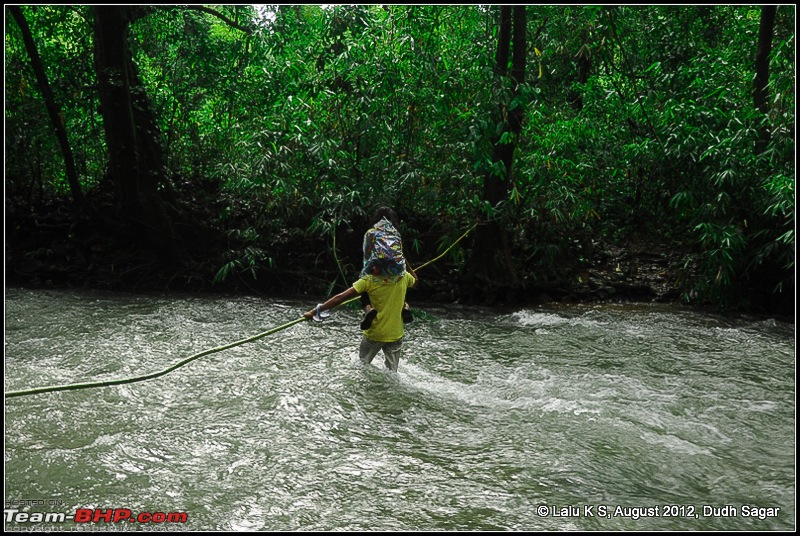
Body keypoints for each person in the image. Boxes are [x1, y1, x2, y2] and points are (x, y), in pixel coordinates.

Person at [304, 246, 418, 372]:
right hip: (396, 334)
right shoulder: (404, 277)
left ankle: (369, 309)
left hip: (375, 333)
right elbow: (416, 281)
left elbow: (340, 298)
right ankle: (404, 306)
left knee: (362, 367)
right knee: (392, 373)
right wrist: (405, 261)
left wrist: (315, 311)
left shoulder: (369, 281)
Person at [358, 207, 413, 330]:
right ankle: (405, 306)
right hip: (397, 269)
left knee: (363, 282)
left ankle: (368, 308)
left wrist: (367, 271)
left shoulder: (371, 233)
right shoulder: (396, 233)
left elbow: (367, 255)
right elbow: (400, 254)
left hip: (377, 268)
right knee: (401, 281)